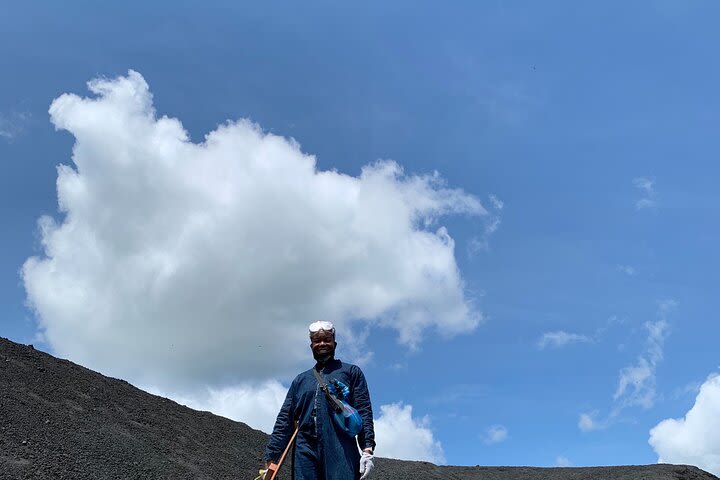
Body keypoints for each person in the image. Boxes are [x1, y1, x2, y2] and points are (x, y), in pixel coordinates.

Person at [263, 321, 376, 480]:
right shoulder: (301, 380)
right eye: (317, 341)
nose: (322, 344)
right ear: (311, 346)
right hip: (305, 450)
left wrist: (367, 449)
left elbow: (364, 410)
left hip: (340, 446)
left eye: (326, 340)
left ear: (334, 343)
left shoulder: (351, 372)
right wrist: (272, 457)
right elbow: (284, 420)